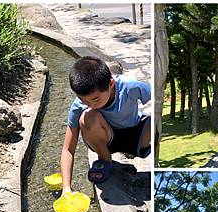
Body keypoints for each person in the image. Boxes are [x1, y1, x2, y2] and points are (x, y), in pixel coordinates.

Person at [60, 56, 151, 195]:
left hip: (136, 137)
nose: (90, 104)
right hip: (108, 141)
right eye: (83, 100)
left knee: (153, 120)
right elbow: (68, 149)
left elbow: (159, 99)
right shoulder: (79, 106)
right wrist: (66, 188)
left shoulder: (130, 87)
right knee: (88, 116)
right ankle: (105, 160)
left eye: (95, 99)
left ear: (111, 84)